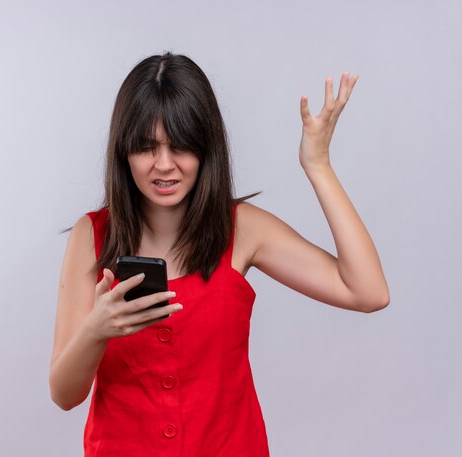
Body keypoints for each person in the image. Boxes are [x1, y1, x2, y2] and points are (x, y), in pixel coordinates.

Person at [49, 52, 390, 456]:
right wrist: (97, 328)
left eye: (180, 147)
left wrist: (318, 166)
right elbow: (64, 395)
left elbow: (368, 292)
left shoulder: (242, 227)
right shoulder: (92, 235)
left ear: (205, 146)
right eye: (146, 147)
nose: (164, 165)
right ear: (123, 151)